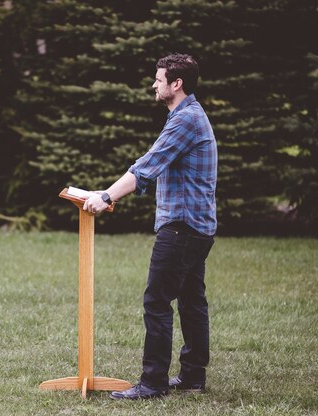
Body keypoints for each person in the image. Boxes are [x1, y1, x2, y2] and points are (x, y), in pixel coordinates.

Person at [82, 53, 217, 399]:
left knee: (157, 301)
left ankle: (153, 382)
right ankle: (191, 376)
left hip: (181, 228)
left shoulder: (186, 119)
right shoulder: (187, 117)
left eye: (159, 80)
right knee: (190, 301)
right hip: (196, 228)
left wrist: (107, 197)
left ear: (177, 84)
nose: (153, 85)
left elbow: (148, 165)